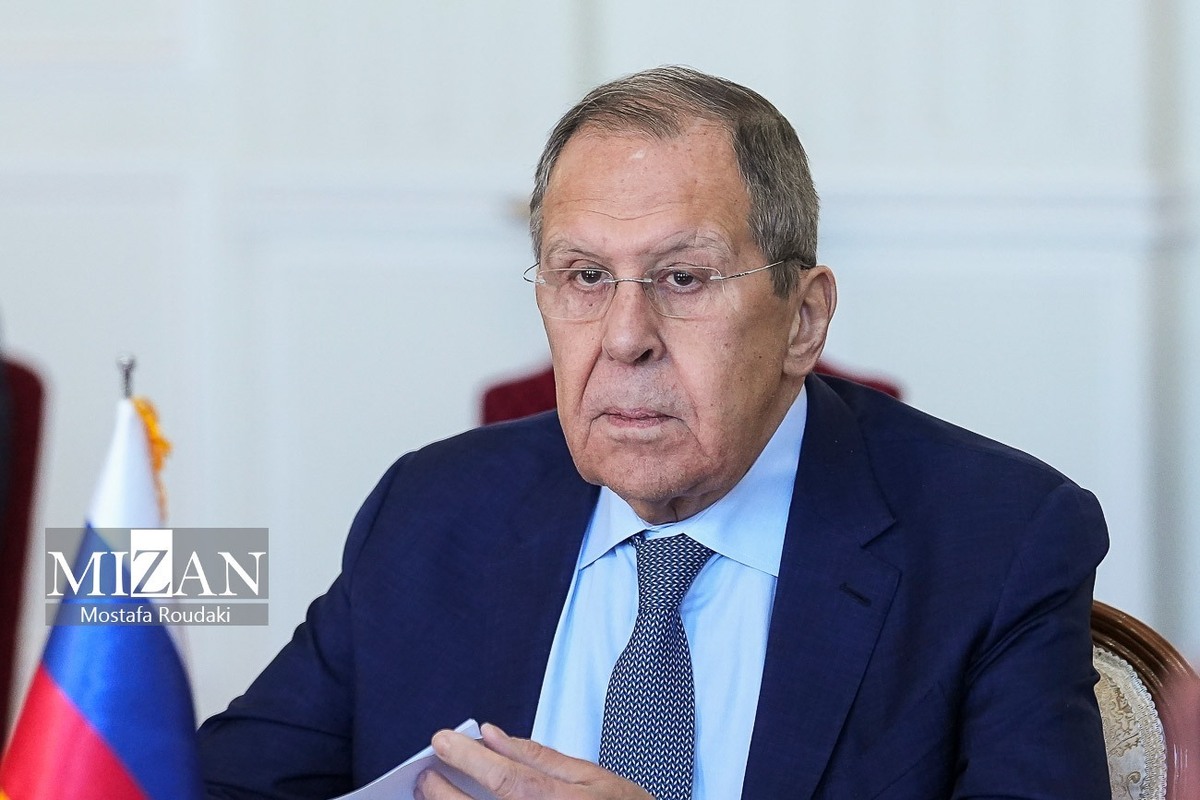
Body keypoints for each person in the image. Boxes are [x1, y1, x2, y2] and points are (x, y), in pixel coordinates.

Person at [198, 66, 1111, 799]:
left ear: (803, 319)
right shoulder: (432, 510)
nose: (624, 338)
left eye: (683, 278)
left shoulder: (997, 539)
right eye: (585, 277)